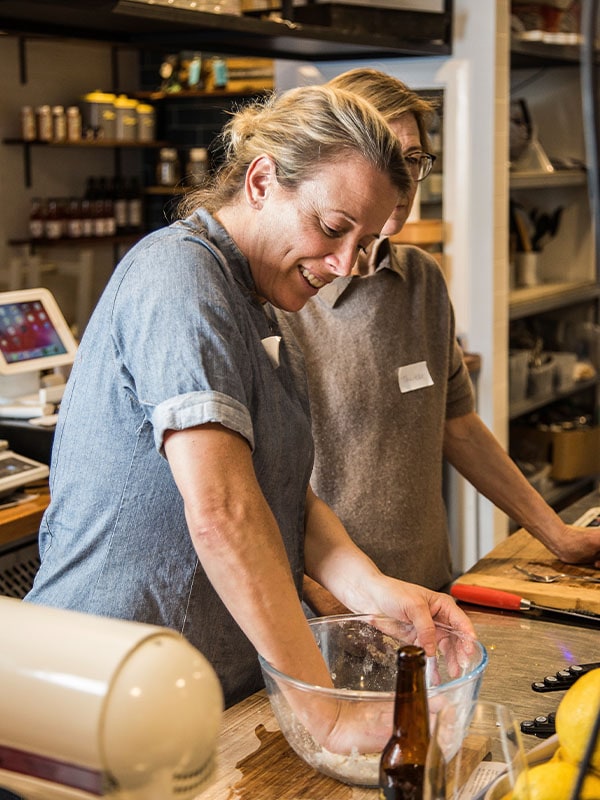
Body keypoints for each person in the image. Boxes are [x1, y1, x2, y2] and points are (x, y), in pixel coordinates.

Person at [24, 84, 474, 751]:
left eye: (367, 238)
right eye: (331, 227)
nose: (347, 263)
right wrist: (324, 711)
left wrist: (374, 591)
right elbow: (225, 511)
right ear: (262, 181)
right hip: (96, 696)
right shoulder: (179, 279)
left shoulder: (257, 304)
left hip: (196, 692)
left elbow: (283, 493)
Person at [279, 68, 600, 605]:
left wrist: (557, 535)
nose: (401, 180)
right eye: (384, 157)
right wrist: (324, 602)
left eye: (412, 159)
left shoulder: (421, 279)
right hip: (328, 608)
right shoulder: (286, 298)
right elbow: (256, 488)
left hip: (428, 586)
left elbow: (459, 426)